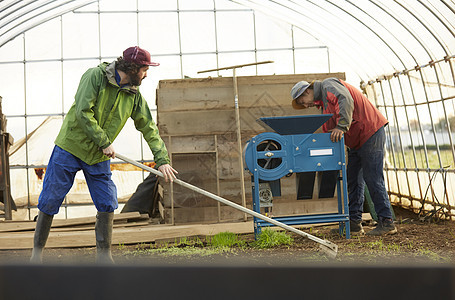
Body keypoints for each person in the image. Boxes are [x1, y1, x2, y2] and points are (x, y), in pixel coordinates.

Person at [30, 46, 178, 263]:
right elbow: (83, 111)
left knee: (107, 202)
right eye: (145, 70)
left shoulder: (133, 95)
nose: (146, 74)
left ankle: (104, 257)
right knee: (50, 199)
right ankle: (36, 254)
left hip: (98, 156)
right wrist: (103, 141)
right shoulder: (95, 77)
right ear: (134, 68)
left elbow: (149, 129)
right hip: (70, 147)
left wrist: (162, 161)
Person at [290, 78, 396, 236]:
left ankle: (387, 222)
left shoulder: (328, 86)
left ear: (306, 91)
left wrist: (341, 126)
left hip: (369, 131)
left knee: (372, 177)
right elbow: (329, 129)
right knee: (353, 180)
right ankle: (354, 223)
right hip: (356, 141)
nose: (305, 106)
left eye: (303, 101)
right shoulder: (324, 104)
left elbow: (345, 99)